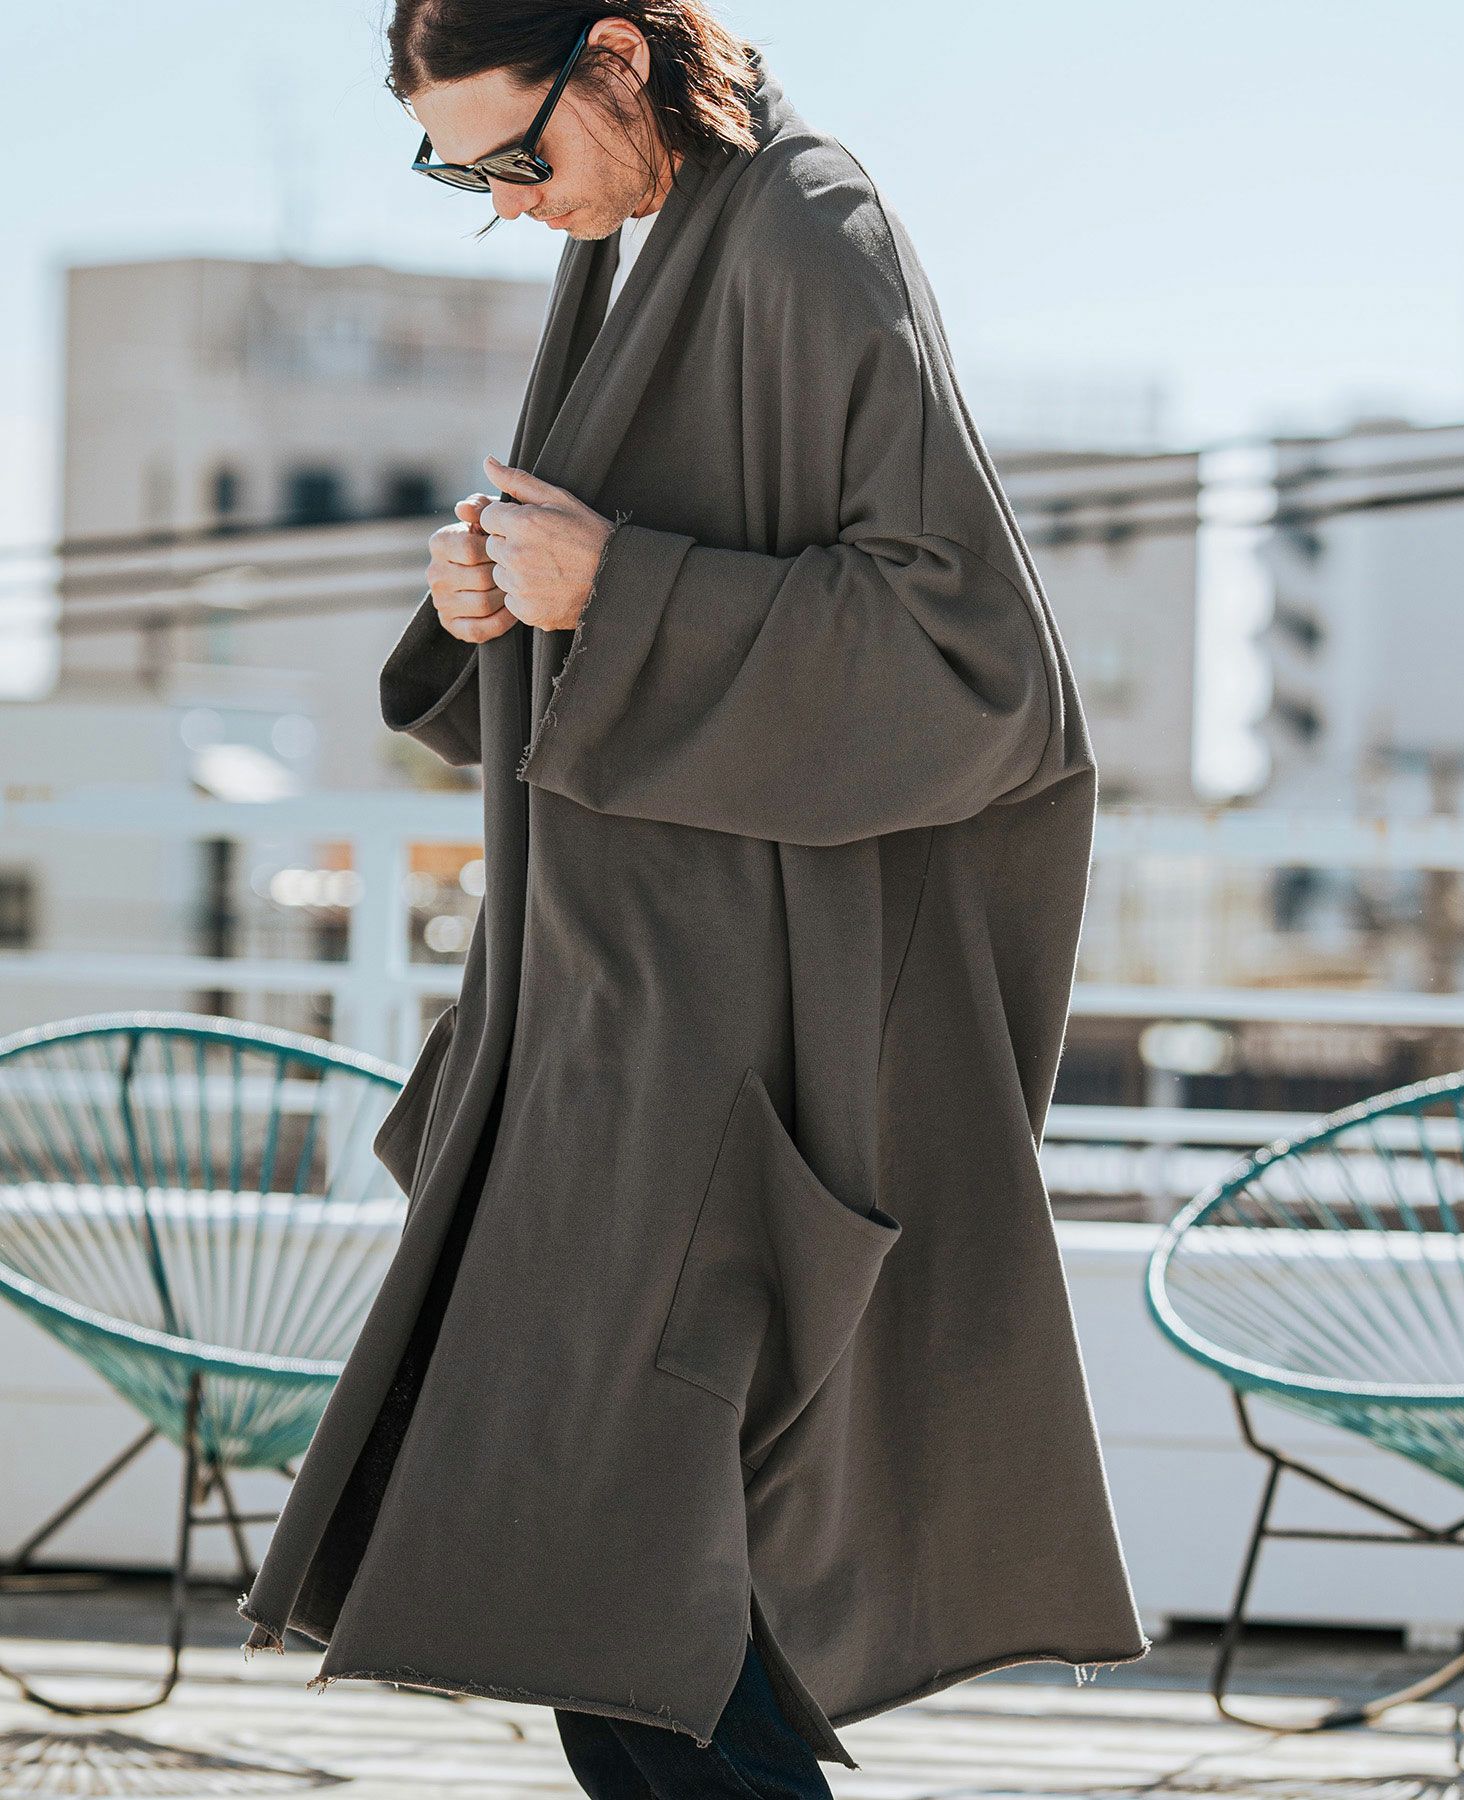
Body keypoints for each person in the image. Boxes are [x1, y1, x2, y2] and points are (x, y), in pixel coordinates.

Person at [238, 5, 1151, 1794]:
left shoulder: (808, 226)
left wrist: (614, 589)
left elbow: (978, 670)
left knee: (635, 1583)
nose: (509, 206)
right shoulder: (636, 248)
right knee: (612, 1593)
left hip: (730, 1050)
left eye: (518, 155)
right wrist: (490, 608)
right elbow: (622, 637)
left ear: (613, 58)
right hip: (612, 1025)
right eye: (459, 174)